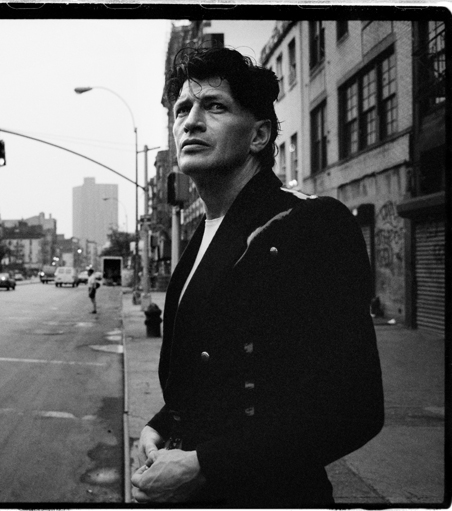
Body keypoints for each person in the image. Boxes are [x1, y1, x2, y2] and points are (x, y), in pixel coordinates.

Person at [131, 46, 384, 506]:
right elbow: (215, 372)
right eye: (182, 109)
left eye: (214, 106)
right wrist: (161, 425)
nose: (190, 122)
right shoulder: (201, 236)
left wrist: (206, 464)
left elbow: (356, 410)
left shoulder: (311, 225)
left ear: (259, 135)